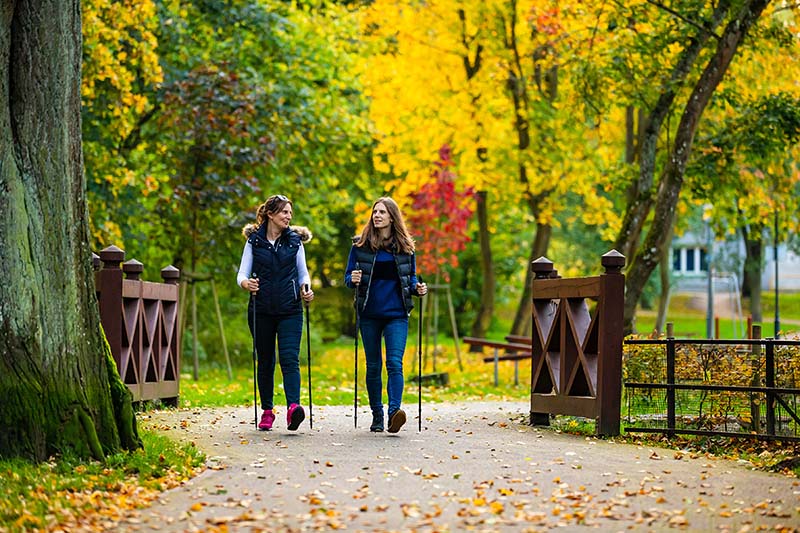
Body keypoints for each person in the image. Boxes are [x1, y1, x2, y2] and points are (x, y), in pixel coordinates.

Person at [344, 197, 427, 433]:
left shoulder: (405, 248)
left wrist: (418, 288)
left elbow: (410, 279)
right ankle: (377, 415)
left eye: (382, 212)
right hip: (369, 313)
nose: (376, 215)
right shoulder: (360, 246)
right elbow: (348, 278)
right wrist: (353, 279)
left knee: (394, 363)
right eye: (374, 212)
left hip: (397, 314)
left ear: (392, 216)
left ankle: (393, 413)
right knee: (373, 366)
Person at [238, 194, 314, 431]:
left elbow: (303, 273)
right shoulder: (254, 242)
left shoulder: (295, 242)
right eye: (284, 212)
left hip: (290, 308)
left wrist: (306, 289)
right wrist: (245, 285)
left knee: (290, 358)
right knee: (266, 361)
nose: (288, 216)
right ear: (270, 214)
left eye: (290, 213)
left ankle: (294, 408)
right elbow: (242, 273)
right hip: (261, 309)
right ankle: (267, 411)